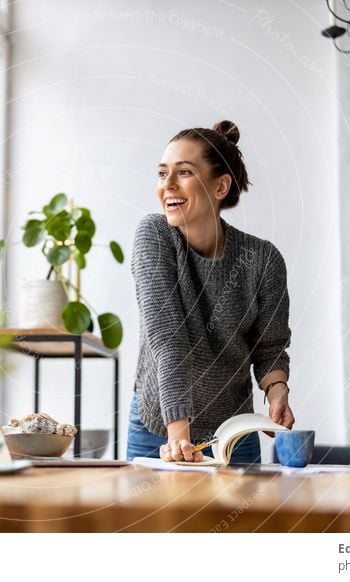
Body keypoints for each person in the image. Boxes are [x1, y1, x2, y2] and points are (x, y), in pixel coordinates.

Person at [127, 120, 295, 464]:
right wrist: (179, 438)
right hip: (159, 427)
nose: (167, 185)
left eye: (184, 172)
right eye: (162, 174)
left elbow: (270, 346)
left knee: (236, 518)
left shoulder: (263, 260)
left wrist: (277, 393)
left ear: (220, 187)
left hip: (232, 432)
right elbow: (167, 338)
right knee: (152, 519)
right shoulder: (154, 236)